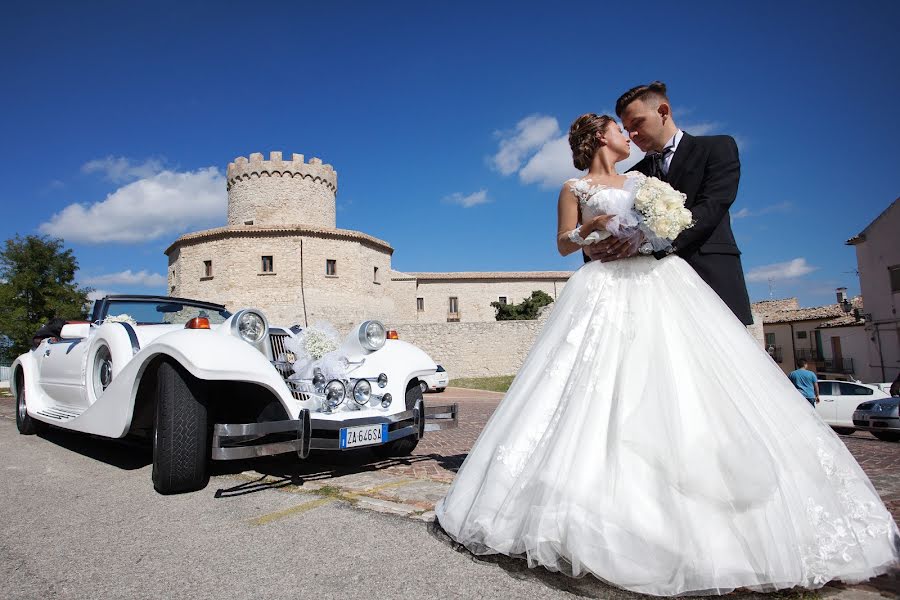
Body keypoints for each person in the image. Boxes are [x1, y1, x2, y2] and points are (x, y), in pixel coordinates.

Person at [434, 112, 899, 596]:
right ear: (599, 138)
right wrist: (588, 231)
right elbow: (561, 244)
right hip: (602, 287)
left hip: (658, 280)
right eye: (619, 129)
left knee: (677, 377)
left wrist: (647, 233)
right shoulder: (573, 188)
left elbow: (673, 222)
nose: (627, 136)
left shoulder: (645, 179)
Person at [585, 82, 753, 326]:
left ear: (663, 112)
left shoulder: (716, 147)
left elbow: (714, 205)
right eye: (626, 129)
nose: (631, 135)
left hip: (711, 275)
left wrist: (650, 239)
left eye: (637, 123)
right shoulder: (633, 175)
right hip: (654, 291)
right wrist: (596, 246)